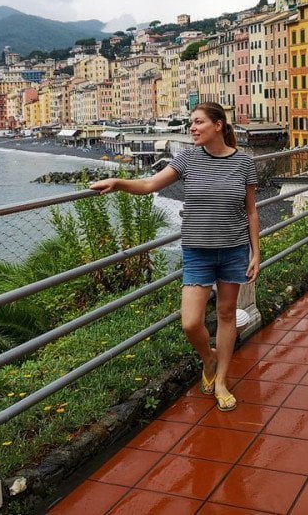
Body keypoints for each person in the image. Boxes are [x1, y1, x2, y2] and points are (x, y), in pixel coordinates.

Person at [89, 102, 259, 411]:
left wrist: (255, 253)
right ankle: (209, 359)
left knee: (226, 315)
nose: (192, 128)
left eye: (198, 122)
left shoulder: (244, 163)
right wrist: (118, 183)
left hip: (234, 249)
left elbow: (250, 210)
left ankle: (221, 381)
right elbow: (150, 184)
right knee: (191, 323)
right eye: (190, 123)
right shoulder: (188, 158)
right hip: (197, 251)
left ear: (218, 125)